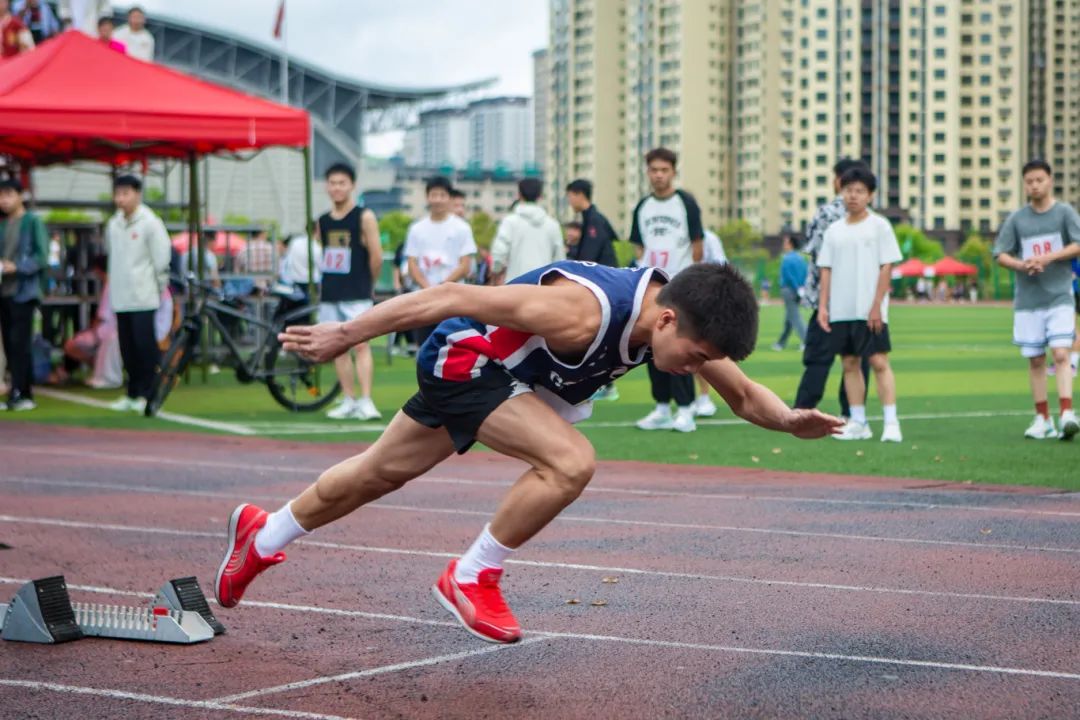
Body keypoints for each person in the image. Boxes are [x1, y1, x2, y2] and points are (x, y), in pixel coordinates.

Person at [214, 260, 842, 645]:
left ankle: (263, 535)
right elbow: (447, 296)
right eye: (698, 357)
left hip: (509, 382)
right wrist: (345, 334)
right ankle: (470, 575)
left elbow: (743, 395)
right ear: (667, 320)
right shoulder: (580, 312)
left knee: (377, 474)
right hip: (466, 361)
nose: (696, 369)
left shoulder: (676, 321)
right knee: (570, 461)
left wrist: (790, 421)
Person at [993, 159, 1080, 440]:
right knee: (1035, 360)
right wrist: (1022, 265)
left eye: (1039, 180)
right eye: (1029, 181)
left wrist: (1048, 257)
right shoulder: (1017, 219)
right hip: (1028, 300)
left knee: (1061, 353)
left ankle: (1066, 413)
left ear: (1050, 180)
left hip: (1060, 295)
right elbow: (1000, 253)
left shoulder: (1064, 213)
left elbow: (1078, 243)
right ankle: (1043, 418)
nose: (1034, 185)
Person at [817, 166, 903, 442]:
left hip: (870, 309)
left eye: (859, 191)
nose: (852, 196)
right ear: (841, 191)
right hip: (841, 310)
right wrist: (823, 306)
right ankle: (858, 422)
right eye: (848, 190)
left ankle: (891, 422)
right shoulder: (834, 230)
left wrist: (877, 305)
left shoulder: (880, 226)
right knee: (849, 363)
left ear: (870, 195)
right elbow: (826, 269)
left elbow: (886, 266)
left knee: (878, 361)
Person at [629, 147, 703, 432]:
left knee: (680, 346)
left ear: (673, 172)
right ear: (647, 172)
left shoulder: (685, 203)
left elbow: (697, 243)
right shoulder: (643, 206)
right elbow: (638, 245)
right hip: (652, 288)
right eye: (654, 170)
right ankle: (661, 407)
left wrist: (691, 278)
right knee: (652, 346)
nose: (659, 175)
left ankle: (686, 409)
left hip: (680, 285)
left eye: (664, 170)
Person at [795, 158, 871, 418]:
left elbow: (816, 254)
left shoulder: (826, 213)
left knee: (818, 358)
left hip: (826, 301)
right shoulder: (872, 218)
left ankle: (803, 410)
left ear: (839, 180)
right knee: (857, 361)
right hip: (859, 301)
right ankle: (852, 414)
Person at [314, 163, 383, 422]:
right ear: (327, 187)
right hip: (331, 291)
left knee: (361, 345)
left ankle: (366, 400)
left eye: (342, 183)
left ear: (352, 185)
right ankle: (348, 399)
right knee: (338, 347)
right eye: (332, 183)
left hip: (358, 290)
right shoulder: (322, 221)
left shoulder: (364, 216)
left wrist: (369, 284)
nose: (337, 188)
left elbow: (376, 256)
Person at [104, 175, 170, 413]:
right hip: (121, 297)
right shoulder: (114, 224)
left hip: (144, 295)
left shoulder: (150, 222)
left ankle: (149, 393)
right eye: (117, 194)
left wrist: (157, 287)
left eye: (125, 193)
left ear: (137, 194)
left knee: (145, 346)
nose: (120, 199)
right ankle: (132, 392)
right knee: (127, 348)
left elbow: (161, 258)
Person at [404, 176, 477, 347]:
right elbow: (412, 264)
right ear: (427, 197)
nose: (437, 200)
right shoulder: (417, 229)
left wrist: (443, 286)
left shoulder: (461, 228)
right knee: (424, 345)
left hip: (453, 297)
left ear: (449, 198)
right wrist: (428, 288)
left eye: (442, 195)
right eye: (434, 195)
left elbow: (465, 264)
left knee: (453, 346)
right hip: (424, 297)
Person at [0, 178, 47, 411]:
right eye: (1, 196)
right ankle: (16, 392)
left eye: (8, 194)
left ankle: (23, 392)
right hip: (5, 291)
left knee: (20, 344)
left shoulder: (32, 221)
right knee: (10, 344)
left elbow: (42, 256)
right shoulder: (3, 224)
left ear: (20, 196)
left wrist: (17, 266)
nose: (4, 200)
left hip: (24, 292)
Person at [490, 178, 564, 283]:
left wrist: (496, 270)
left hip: (515, 282)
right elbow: (559, 260)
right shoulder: (553, 225)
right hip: (543, 284)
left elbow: (499, 253)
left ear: (519, 194)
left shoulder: (510, 222)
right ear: (540, 196)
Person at [692, 228, 729, 417]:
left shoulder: (709, 238)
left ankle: (704, 397)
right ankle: (687, 400)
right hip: (676, 297)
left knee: (700, 349)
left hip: (704, 298)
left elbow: (722, 265)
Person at [565, 179, 618, 267]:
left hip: (602, 273)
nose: (569, 201)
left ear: (580, 195)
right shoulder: (590, 218)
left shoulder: (594, 221)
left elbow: (589, 256)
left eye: (570, 196)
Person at [773, 234, 808, 351]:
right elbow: (805, 274)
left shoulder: (787, 258)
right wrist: (801, 288)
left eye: (786, 243)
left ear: (790, 244)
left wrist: (796, 287)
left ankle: (807, 341)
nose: (784, 245)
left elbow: (789, 276)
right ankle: (781, 343)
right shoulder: (801, 258)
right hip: (800, 290)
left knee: (795, 317)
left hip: (789, 289)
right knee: (790, 317)